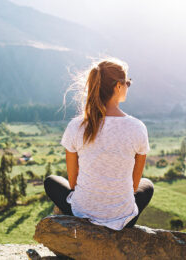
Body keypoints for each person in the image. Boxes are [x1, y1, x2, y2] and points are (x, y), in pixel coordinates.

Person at [44, 56, 154, 230]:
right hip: (124, 219)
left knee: (51, 181)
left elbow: (73, 184)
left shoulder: (76, 126)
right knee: (147, 185)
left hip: (82, 216)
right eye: (128, 83)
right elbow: (134, 185)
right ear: (118, 86)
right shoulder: (137, 127)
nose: (128, 86)